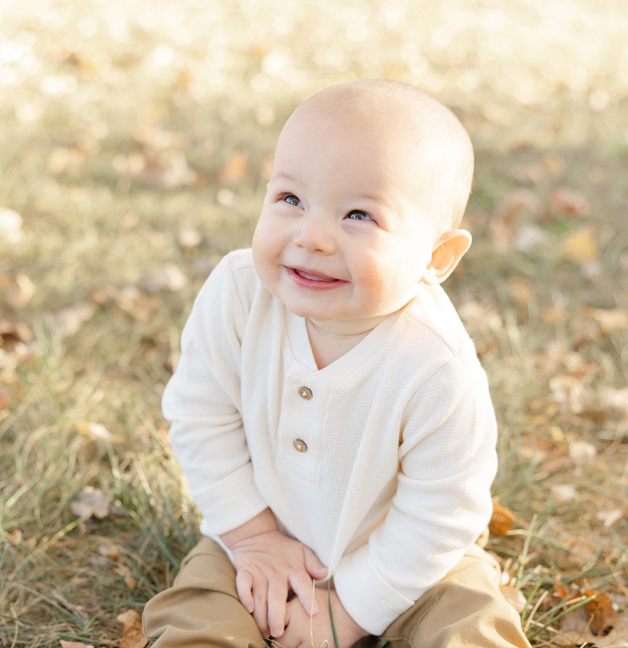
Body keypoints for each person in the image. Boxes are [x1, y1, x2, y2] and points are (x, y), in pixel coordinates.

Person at [142, 79, 531, 648]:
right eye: (291, 200)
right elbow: (201, 417)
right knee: (199, 612)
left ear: (436, 257)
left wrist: (349, 612)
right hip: (263, 536)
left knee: (468, 619)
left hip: (405, 557)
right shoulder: (238, 294)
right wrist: (251, 538)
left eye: (358, 215)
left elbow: (444, 506)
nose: (313, 236)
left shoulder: (434, 362)